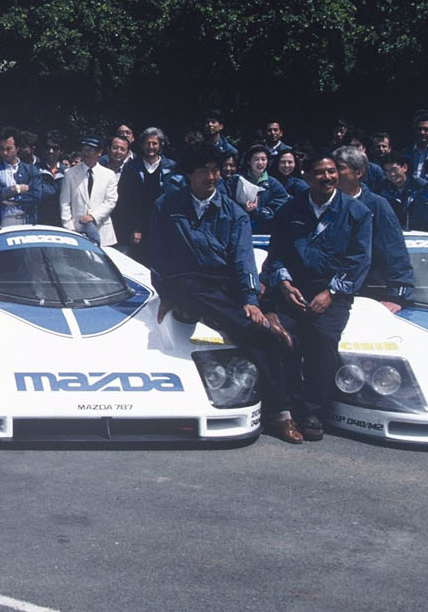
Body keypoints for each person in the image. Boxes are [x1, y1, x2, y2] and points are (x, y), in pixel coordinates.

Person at [142, 143, 296, 441]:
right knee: (188, 286)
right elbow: (157, 255)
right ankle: (262, 324)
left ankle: (281, 412)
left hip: (220, 286)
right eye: (204, 171)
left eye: (215, 171)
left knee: (256, 337)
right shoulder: (166, 206)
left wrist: (249, 300)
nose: (211, 177)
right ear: (189, 175)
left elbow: (243, 260)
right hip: (183, 284)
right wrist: (166, 295)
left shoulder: (234, 213)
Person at [263, 155, 372, 443]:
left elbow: (359, 261)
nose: (327, 177)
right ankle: (283, 410)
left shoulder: (357, 212)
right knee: (279, 336)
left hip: (333, 293)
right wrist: (284, 284)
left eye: (332, 171)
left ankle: (313, 412)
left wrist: (331, 292)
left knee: (322, 339)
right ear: (307, 176)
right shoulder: (289, 209)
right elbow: (276, 254)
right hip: (293, 291)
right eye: (320, 172)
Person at [333, 146, 414, 313]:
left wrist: (398, 295)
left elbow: (394, 250)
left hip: (366, 294)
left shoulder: (377, 205)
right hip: (326, 292)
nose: (332, 174)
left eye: (339, 168)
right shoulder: (322, 203)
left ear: (359, 172)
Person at [118, 127, 180, 248]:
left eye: (154, 143)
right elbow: (124, 200)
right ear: (142, 145)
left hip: (164, 224)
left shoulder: (172, 167)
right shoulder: (131, 167)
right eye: (147, 143)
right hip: (138, 227)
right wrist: (134, 228)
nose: (151, 147)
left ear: (160, 145)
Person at [58, 136, 118, 246]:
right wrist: (69, 228)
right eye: (84, 149)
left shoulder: (109, 175)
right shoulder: (70, 173)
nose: (87, 153)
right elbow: (65, 203)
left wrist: (93, 217)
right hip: (77, 231)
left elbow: (110, 201)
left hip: (102, 232)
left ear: (99, 152)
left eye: (91, 150)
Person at [0, 130, 43, 226]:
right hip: (3, 221)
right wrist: (15, 189)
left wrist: (9, 199)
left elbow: (36, 196)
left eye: (9, 149)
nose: (5, 153)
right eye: (2, 149)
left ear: (17, 148)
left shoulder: (31, 170)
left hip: (26, 220)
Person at [232, 144, 290, 234]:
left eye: (263, 159)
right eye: (256, 159)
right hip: (239, 228)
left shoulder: (274, 184)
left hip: (265, 230)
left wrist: (257, 211)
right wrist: (243, 208)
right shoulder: (236, 181)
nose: (260, 163)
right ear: (249, 161)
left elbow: (280, 208)